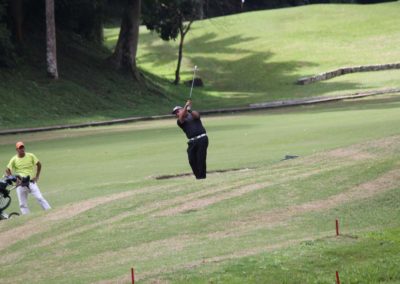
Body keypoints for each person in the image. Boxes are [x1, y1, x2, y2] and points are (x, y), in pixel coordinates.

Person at [5, 141, 51, 214]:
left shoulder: (31, 156)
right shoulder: (14, 159)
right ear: (16, 150)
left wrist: (37, 176)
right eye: (20, 148)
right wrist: (15, 180)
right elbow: (7, 170)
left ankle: (50, 211)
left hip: (31, 182)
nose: (22, 149)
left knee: (39, 198)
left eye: (23, 147)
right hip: (20, 184)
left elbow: (39, 164)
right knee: (22, 204)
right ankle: (27, 218)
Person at [172, 99, 209, 179]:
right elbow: (181, 117)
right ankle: (198, 177)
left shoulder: (192, 114)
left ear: (182, 110)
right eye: (176, 113)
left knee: (200, 158)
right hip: (192, 142)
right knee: (191, 159)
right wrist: (186, 106)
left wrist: (189, 110)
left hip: (202, 139)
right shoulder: (180, 121)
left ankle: (202, 177)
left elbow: (197, 115)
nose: (177, 113)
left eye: (178, 111)